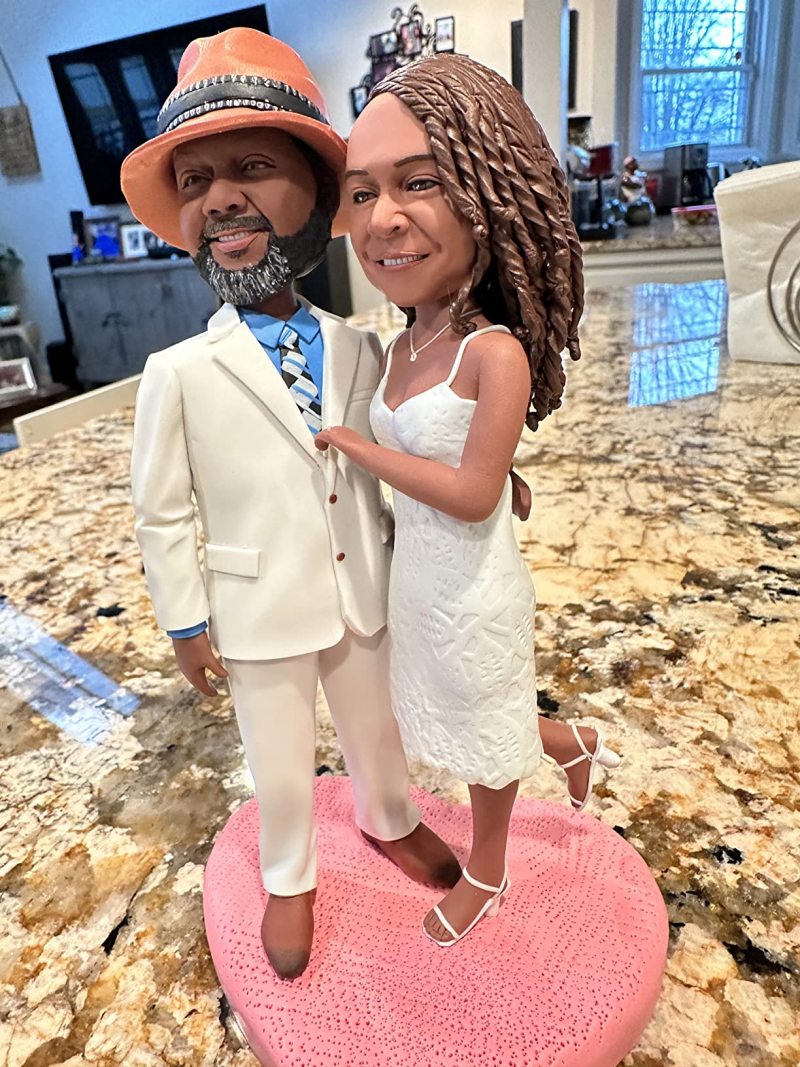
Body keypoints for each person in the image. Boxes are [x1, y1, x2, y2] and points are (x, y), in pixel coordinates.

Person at [121, 29, 462, 981]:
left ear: (319, 193)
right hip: (257, 604)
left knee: (375, 727)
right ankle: (287, 872)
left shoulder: (361, 346)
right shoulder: (177, 372)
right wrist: (184, 619)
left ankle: (389, 816)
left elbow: (396, 457)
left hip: (363, 589)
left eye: (254, 168)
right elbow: (160, 511)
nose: (222, 199)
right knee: (276, 756)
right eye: (196, 182)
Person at [315, 54, 620, 947]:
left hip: (475, 586)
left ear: (490, 196)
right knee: (465, 708)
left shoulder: (495, 352)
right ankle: (573, 742)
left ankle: (487, 867)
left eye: (420, 182)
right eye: (361, 193)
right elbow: (453, 447)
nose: (383, 217)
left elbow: (473, 495)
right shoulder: (403, 343)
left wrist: (363, 450)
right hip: (418, 580)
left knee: (484, 730)